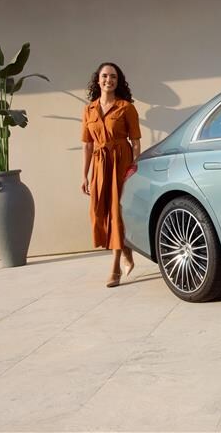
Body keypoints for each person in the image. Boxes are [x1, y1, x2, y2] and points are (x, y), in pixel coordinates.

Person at [81, 62, 141, 287]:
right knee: (99, 213)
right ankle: (125, 249)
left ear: (118, 81)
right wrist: (84, 176)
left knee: (116, 211)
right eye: (105, 76)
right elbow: (87, 144)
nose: (109, 80)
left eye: (113, 77)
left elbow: (135, 142)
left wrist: (134, 169)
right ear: (98, 80)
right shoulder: (88, 110)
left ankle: (114, 267)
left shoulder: (126, 107)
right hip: (98, 164)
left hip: (120, 162)